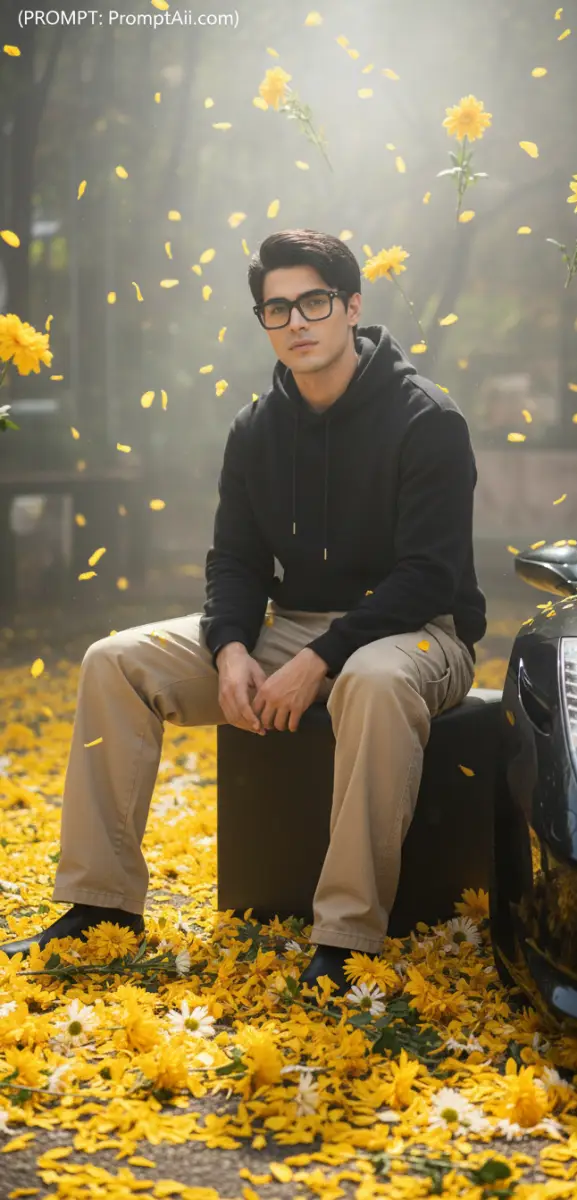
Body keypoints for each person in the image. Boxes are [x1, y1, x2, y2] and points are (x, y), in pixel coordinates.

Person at [0, 229, 487, 992]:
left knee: (375, 680)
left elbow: (428, 576)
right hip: (289, 627)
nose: (296, 322)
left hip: (418, 633)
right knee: (114, 663)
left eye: (315, 303)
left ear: (352, 306)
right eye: (276, 308)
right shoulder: (257, 429)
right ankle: (100, 902)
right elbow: (235, 562)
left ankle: (348, 935)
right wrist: (231, 648)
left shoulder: (427, 420)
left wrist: (319, 661)